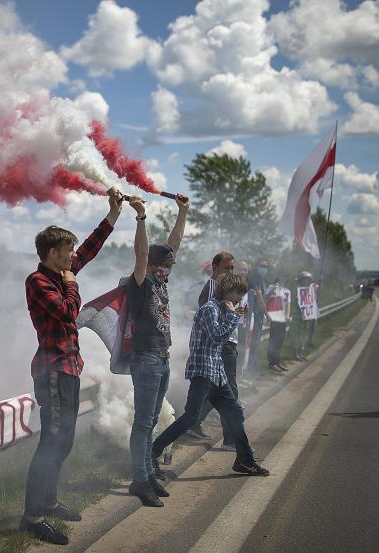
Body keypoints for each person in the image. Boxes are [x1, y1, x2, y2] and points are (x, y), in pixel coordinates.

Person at [20, 189, 124, 544]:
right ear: (53, 253)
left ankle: (48, 501)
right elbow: (68, 313)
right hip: (52, 370)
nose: (73, 255)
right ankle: (32, 516)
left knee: (63, 441)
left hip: (68, 369)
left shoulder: (61, 274)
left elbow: (91, 249)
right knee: (52, 440)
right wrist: (73, 285)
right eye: (67, 250)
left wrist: (113, 215)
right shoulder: (38, 281)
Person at [151, 273, 270, 479]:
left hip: (217, 372)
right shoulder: (209, 309)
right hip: (204, 371)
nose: (239, 299)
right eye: (238, 294)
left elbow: (221, 336)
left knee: (235, 413)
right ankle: (152, 453)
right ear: (228, 291)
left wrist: (233, 314)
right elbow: (216, 336)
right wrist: (233, 316)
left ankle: (245, 461)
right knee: (191, 418)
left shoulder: (222, 309)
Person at [126, 192, 190, 508]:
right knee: (143, 422)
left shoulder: (161, 281)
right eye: (164, 265)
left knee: (151, 421)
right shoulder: (141, 282)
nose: (168, 269)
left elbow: (173, 244)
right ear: (152, 266)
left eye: (170, 265)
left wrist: (183, 212)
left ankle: (148, 473)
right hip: (146, 360)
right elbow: (141, 253)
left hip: (161, 359)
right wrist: (141, 217)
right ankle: (139, 480)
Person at [187, 251, 236, 443]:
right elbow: (211, 324)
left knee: (219, 392)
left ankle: (193, 421)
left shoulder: (223, 288)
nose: (230, 271)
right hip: (221, 346)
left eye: (232, 268)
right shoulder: (212, 288)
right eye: (226, 268)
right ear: (215, 268)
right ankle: (230, 440)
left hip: (227, 343)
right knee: (229, 395)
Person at [245, 259, 270, 374]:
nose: (264, 268)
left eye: (266, 266)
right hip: (253, 317)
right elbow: (259, 298)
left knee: (255, 343)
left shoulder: (262, 281)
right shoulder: (255, 279)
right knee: (252, 343)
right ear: (257, 266)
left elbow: (262, 296)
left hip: (258, 317)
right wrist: (267, 315)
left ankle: (252, 366)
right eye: (262, 266)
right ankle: (250, 368)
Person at [265, 272, 292, 371]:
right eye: (282, 276)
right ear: (278, 277)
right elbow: (265, 299)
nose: (283, 278)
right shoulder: (272, 287)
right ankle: (271, 363)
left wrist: (287, 315)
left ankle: (277, 361)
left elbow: (288, 304)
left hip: (282, 319)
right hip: (273, 318)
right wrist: (271, 291)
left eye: (285, 276)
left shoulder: (287, 291)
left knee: (279, 341)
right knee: (273, 341)